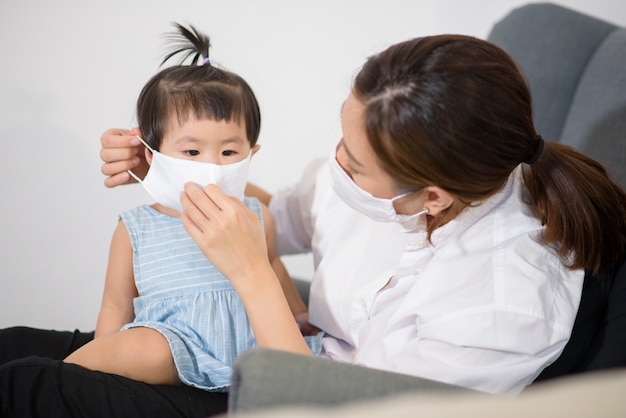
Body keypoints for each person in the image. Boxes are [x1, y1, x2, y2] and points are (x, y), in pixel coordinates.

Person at [2, 33, 626, 415]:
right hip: (231, 334)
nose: (333, 164)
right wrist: (169, 172)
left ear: (431, 196)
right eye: (342, 137)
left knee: (27, 388)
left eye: (352, 163)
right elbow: (285, 217)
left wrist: (252, 274)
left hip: (292, 392)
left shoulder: (500, 303)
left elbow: (332, 408)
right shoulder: (387, 163)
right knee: (15, 344)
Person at [0, 23, 312, 418]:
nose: (212, 166)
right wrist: (108, 352)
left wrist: (299, 313)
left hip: (248, 348)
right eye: (192, 152)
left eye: (230, 152)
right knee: (140, 348)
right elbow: (115, 308)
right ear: (151, 156)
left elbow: (273, 269)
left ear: (253, 152)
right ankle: (72, 374)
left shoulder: (254, 215)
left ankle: (53, 379)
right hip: (175, 347)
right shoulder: (135, 229)